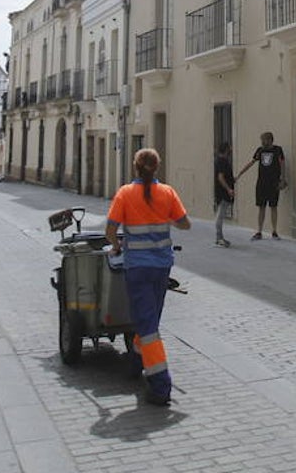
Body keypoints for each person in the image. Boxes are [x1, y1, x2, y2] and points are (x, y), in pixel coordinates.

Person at [105, 148, 191, 406]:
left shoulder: (125, 193)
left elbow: (110, 230)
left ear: (135, 167)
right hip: (162, 267)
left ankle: (161, 386)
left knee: (148, 327)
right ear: (157, 167)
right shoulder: (167, 192)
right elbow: (185, 223)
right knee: (150, 319)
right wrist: (166, 216)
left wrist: (117, 246)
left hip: (137, 268)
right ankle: (135, 362)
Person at [235, 131, 286, 240]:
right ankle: (259, 231)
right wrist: (240, 174)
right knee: (261, 207)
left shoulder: (278, 150)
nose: (262, 142)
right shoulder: (260, 150)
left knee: (273, 206)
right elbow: (251, 163)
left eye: (263, 140)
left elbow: (282, 164)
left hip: (274, 182)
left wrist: (282, 179)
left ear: (269, 140)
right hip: (261, 183)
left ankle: (274, 231)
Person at [213, 142, 235, 247]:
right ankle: (219, 238)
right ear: (226, 149)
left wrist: (231, 180)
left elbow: (224, 176)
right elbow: (220, 177)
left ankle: (220, 238)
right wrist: (228, 189)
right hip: (222, 192)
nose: (231, 150)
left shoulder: (221, 160)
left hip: (222, 191)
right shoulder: (222, 161)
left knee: (220, 215)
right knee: (220, 215)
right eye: (229, 148)